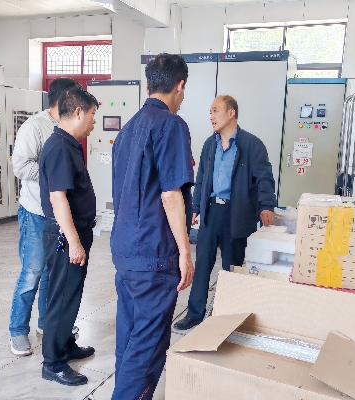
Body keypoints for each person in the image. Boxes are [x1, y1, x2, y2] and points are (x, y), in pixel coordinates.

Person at [110, 53, 195, 400]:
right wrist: (185, 252)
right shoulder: (172, 125)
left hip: (126, 250)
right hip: (153, 254)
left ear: (148, 85)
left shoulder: (127, 129)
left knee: (130, 338)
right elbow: (170, 195)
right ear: (180, 85)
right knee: (147, 350)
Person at [173, 95, 277, 332]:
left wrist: (266, 205)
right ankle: (195, 314)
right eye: (210, 112)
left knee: (232, 268)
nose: (211, 116)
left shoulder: (252, 145)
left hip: (238, 212)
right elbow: (201, 179)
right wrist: (195, 207)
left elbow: (264, 178)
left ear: (231, 113)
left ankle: (227, 316)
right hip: (212, 211)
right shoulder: (210, 145)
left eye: (215, 111)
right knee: (202, 265)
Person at [9, 78, 80, 356]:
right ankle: (18, 331)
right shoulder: (35, 126)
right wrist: (53, 173)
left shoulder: (67, 127)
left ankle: (44, 323)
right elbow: (20, 166)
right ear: (64, 99)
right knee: (32, 272)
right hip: (35, 212)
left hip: (56, 214)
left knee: (51, 272)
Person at [39, 86, 99, 386]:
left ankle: (64, 344)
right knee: (61, 298)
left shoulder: (68, 144)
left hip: (74, 232)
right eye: (92, 114)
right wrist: (74, 241)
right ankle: (53, 362)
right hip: (66, 237)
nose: (94, 121)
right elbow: (58, 198)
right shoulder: (60, 147)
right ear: (78, 112)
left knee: (71, 294)